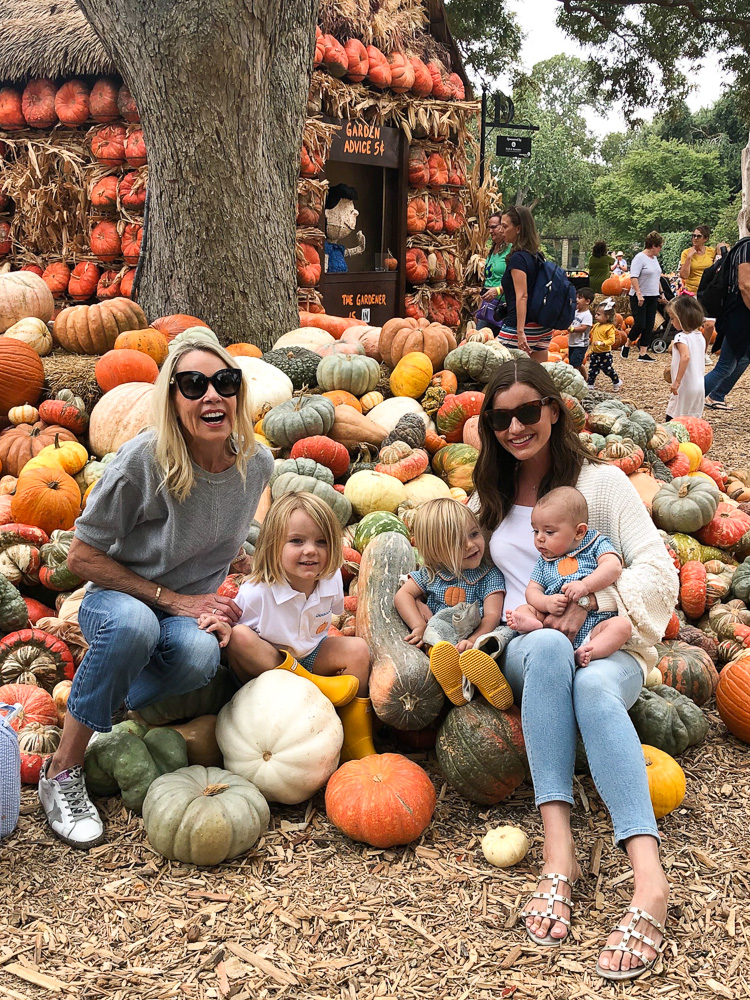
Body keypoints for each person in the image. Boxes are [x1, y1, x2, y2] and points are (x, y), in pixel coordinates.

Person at [471, 359, 677, 981]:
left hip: (608, 643)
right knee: (558, 654)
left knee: (591, 684)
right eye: (500, 418)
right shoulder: (489, 497)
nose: (514, 428)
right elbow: (468, 578)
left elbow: (657, 570)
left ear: (554, 411)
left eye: (527, 412)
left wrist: (590, 601)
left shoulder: (605, 484)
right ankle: (558, 851)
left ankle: (649, 881)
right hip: (529, 638)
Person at [38, 338, 274, 849]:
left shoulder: (256, 466)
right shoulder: (143, 462)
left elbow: (220, 538)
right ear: (172, 398)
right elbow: (80, 557)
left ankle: (98, 713)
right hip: (119, 597)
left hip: (186, 609)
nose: (212, 396)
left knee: (199, 656)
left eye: (224, 383)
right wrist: (174, 599)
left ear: (239, 394)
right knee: (132, 626)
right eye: (193, 384)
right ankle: (61, 769)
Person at [198, 492, 374, 762]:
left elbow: (330, 623)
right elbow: (232, 632)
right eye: (296, 541)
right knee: (241, 637)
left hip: (309, 656)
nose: (310, 550)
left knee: (358, 650)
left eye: (321, 542)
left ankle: (354, 735)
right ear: (273, 545)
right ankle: (316, 687)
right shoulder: (258, 591)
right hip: (265, 674)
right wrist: (221, 623)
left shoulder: (330, 581)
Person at [394, 498, 513, 710]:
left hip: (479, 637)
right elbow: (402, 596)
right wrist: (418, 626)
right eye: (457, 542)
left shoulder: (489, 575)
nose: (470, 545)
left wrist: (476, 639)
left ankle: (489, 682)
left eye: (474, 534)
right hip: (447, 638)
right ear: (436, 549)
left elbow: (492, 616)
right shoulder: (432, 574)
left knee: (502, 636)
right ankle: (454, 681)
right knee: (437, 635)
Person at [505, 487, 632, 668]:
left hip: (594, 623)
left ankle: (588, 651)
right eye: (535, 531)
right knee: (524, 608)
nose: (540, 538)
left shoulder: (594, 543)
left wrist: (586, 586)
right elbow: (532, 590)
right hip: (550, 620)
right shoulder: (545, 561)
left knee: (621, 626)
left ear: (579, 532)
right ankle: (534, 626)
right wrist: (546, 602)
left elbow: (613, 567)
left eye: (549, 532)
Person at [495, 206, 551, 361]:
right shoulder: (537, 255)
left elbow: (523, 296)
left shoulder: (518, 258)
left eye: (505, 226)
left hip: (521, 326)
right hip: (543, 327)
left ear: (518, 229)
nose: (501, 230)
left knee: (496, 370)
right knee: (536, 376)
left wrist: (520, 332)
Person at [705, 239, 750, 410]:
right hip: (741, 312)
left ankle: (715, 395)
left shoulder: (743, 245)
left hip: (739, 310)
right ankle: (685, 401)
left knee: (738, 360)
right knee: (725, 366)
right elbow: (745, 286)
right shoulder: (748, 247)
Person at [621, 231, 663, 362]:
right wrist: (639, 294)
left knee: (650, 324)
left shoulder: (654, 259)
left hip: (652, 295)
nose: (660, 249)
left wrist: (661, 293)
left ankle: (643, 353)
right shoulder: (639, 258)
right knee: (640, 324)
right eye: (659, 246)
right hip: (639, 295)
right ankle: (627, 344)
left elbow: (657, 277)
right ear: (653, 245)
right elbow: (633, 277)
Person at [664, 296, 707, 420]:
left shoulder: (681, 337)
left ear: (682, 318)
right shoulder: (700, 337)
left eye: (672, 318)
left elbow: (686, 357)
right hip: (699, 385)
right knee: (692, 419)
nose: (671, 322)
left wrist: (677, 381)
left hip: (685, 385)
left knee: (674, 417)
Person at [476, 212, 511, 331]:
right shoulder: (492, 250)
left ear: (503, 227)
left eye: (494, 227)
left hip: (503, 308)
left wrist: (497, 290)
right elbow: (489, 279)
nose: (490, 231)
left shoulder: (511, 250)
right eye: (489, 227)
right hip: (488, 306)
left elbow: (516, 281)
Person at [587, 299, 623, 390]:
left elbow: (612, 340)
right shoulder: (596, 326)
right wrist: (590, 350)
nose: (595, 316)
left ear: (607, 317)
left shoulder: (609, 328)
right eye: (595, 314)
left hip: (605, 353)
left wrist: (603, 343)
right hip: (595, 352)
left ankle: (616, 381)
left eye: (598, 315)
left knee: (607, 369)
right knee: (592, 370)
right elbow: (593, 338)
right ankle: (590, 385)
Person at [679, 226, 714, 295]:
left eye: (699, 236)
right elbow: (684, 276)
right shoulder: (686, 253)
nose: (695, 238)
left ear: (705, 239)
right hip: (691, 292)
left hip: (707, 291)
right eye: (693, 236)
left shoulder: (712, 251)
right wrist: (689, 257)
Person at [569, 287, 594, 377]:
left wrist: (572, 329)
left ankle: (575, 380)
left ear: (587, 301)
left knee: (574, 365)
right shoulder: (575, 312)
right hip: (572, 342)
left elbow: (583, 328)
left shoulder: (587, 315)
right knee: (576, 363)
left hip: (580, 344)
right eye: (576, 297)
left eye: (579, 298)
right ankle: (585, 378)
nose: (576, 300)